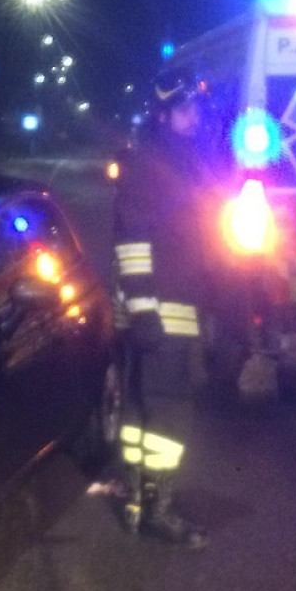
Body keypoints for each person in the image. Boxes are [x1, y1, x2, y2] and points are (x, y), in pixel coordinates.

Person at [111, 67, 219, 550]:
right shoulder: (150, 167)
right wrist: (145, 311)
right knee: (170, 414)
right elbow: (132, 242)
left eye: (196, 108)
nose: (194, 117)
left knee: (142, 409)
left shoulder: (176, 162)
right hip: (160, 314)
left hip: (162, 312)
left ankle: (137, 499)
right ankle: (159, 509)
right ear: (162, 115)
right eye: (184, 110)